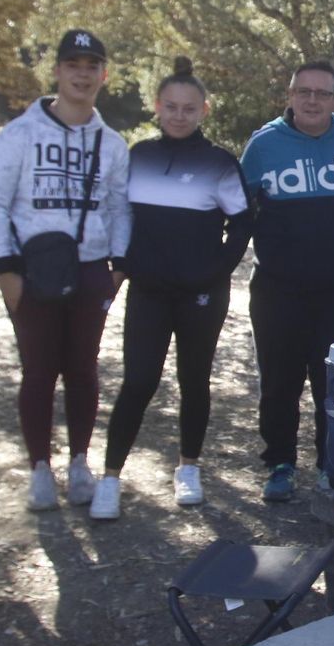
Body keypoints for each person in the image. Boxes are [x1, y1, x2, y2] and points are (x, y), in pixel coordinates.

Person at [89, 58, 251, 520]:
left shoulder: (219, 163)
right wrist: (120, 266)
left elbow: (242, 223)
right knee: (138, 381)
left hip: (201, 295)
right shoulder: (138, 156)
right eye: (171, 107)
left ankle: (188, 468)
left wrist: (216, 270)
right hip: (149, 292)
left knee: (194, 380)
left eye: (189, 108)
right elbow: (118, 216)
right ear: (157, 107)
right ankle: (110, 478)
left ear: (204, 110)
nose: (179, 115)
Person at [0, 29, 131, 511]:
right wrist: (4, 270)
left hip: (89, 269)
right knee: (39, 371)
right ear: (58, 71)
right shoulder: (19, 135)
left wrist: (118, 267)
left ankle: (80, 462)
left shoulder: (111, 143)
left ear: (103, 75)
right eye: (73, 64)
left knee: (83, 370)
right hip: (33, 269)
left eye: (91, 66)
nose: (82, 74)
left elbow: (119, 207)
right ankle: (39, 469)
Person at [239, 60, 334, 503]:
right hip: (279, 290)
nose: (312, 100)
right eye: (304, 92)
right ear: (290, 95)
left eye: (322, 93)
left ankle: (328, 464)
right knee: (280, 381)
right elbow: (236, 210)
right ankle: (279, 462)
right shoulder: (263, 146)